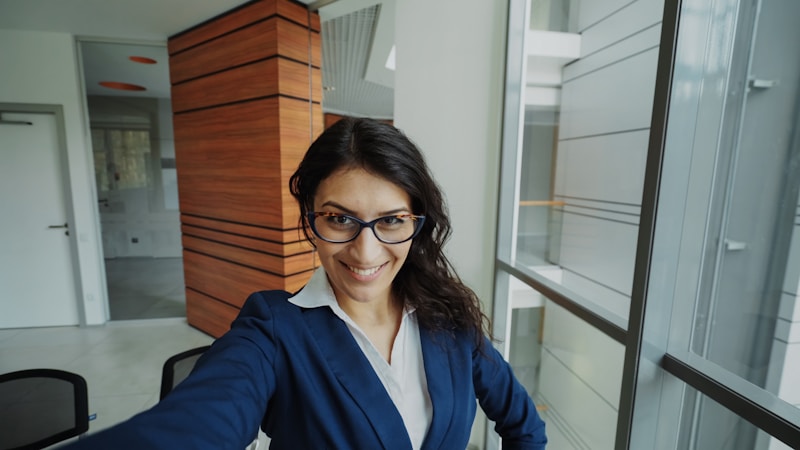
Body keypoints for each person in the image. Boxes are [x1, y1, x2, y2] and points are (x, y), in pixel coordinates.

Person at [60, 117, 547, 449]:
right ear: (310, 219)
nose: (366, 251)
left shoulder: (450, 318)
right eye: (339, 219)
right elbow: (199, 421)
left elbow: (524, 426)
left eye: (392, 221)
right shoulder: (272, 332)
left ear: (417, 222)